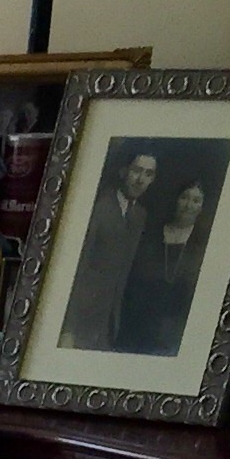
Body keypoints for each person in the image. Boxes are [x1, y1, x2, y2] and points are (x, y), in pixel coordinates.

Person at [60, 146, 158, 349]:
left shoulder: (140, 215)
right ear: (124, 171)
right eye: (136, 170)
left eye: (148, 174)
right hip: (81, 317)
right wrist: (67, 328)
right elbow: (76, 268)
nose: (140, 179)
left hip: (110, 322)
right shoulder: (98, 208)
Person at [116, 176, 212, 357]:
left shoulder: (205, 243)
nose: (188, 205)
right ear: (176, 199)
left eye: (196, 200)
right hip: (142, 324)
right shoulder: (152, 234)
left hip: (180, 329)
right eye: (184, 197)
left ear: (201, 207)